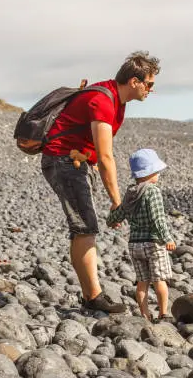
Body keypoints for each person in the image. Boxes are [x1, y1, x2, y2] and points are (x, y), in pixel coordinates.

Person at [41, 51, 160, 313]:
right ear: (134, 81)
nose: (151, 89)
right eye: (149, 84)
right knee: (85, 227)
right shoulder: (103, 101)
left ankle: (90, 294)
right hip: (64, 161)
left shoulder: (116, 99)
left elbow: (98, 153)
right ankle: (93, 298)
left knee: (84, 227)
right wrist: (118, 202)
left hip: (76, 161)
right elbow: (106, 156)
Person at [106, 149, 176, 321]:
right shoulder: (153, 191)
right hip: (153, 243)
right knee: (160, 280)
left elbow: (116, 215)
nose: (158, 174)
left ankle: (145, 314)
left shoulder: (130, 193)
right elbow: (157, 218)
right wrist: (167, 238)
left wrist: (112, 219)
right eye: (157, 171)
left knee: (142, 282)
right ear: (150, 172)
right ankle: (163, 313)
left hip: (135, 245)